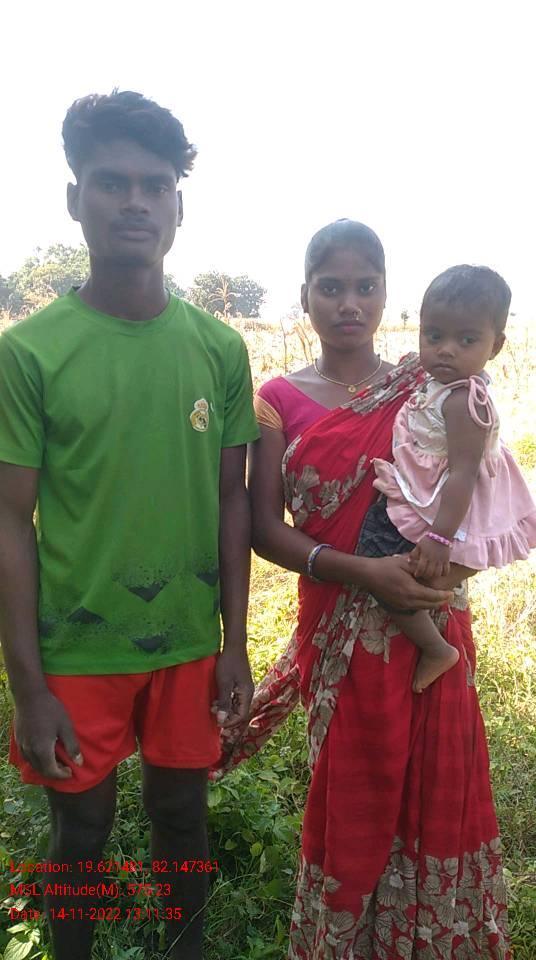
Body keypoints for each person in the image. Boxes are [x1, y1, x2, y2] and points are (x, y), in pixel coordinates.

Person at [0, 90, 259, 960]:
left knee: (182, 815)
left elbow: (232, 499)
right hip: (77, 648)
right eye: (112, 183)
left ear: (179, 208)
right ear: (75, 198)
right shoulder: (29, 353)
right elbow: (9, 520)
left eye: (155, 186)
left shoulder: (218, 350)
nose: (135, 202)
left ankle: (185, 949)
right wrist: (29, 687)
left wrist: (234, 641)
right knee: (81, 828)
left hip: (188, 642)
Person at [213, 220, 512, 958]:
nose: (349, 303)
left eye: (365, 287)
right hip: (340, 633)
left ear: (385, 296)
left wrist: (443, 570)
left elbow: (480, 482)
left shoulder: (427, 383)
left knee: (433, 793)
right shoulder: (276, 400)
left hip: (429, 621)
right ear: (304, 297)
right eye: (331, 287)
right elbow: (264, 529)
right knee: (354, 795)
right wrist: (364, 572)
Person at [358, 264, 536, 693]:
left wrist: (440, 537)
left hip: (446, 503)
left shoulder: (462, 400)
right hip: (432, 492)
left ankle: (437, 647)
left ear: (496, 346)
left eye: (467, 340)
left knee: (379, 557)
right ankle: (447, 579)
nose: (446, 350)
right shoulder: (436, 384)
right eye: (434, 335)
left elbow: (463, 474)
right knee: (397, 566)